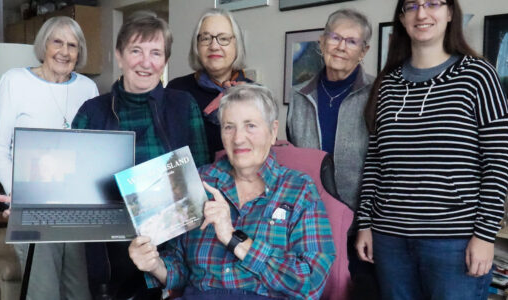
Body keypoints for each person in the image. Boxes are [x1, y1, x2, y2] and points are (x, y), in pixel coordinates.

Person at [355, 1, 508, 299]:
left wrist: (485, 235)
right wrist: (365, 224)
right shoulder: (388, 84)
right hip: (390, 239)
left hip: (454, 242)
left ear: (450, 12)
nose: (421, 13)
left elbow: (497, 163)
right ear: (401, 18)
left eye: (432, 3)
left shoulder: (478, 75)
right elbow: (375, 162)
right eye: (412, 5)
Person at [128, 84, 336, 300]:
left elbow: (310, 282)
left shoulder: (299, 189)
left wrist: (233, 238)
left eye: (250, 126)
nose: (238, 138)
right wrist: (154, 265)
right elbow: (181, 269)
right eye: (229, 127)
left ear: (273, 131)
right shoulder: (199, 181)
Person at [71, 11, 209, 299]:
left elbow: (202, 178)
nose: (146, 62)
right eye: (136, 50)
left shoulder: (184, 107)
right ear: (120, 56)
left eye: (156, 53)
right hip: (111, 260)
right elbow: (71, 187)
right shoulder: (91, 112)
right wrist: (33, 201)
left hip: (174, 256)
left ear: (165, 61)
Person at [0, 16, 99, 300]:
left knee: (79, 292)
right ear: (44, 45)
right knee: (43, 291)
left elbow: (92, 150)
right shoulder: (15, 81)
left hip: (75, 207)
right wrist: (22, 193)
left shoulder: (87, 88)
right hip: (32, 203)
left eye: (72, 45)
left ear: (79, 51)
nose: (64, 51)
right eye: (57, 42)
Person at [286, 8, 379, 299]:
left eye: (351, 41)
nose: (340, 46)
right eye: (335, 37)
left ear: (363, 51)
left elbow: (385, 167)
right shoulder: (300, 97)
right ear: (321, 41)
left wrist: (368, 224)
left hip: (361, 230)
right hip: (309, 227)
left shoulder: (379, 93)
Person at [167, 8, 253, 161]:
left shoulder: (255, 92)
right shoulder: (177, 90)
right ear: (197, 46)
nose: (214, 46)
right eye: (206, 38)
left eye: (223, 38)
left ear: (237, 45)